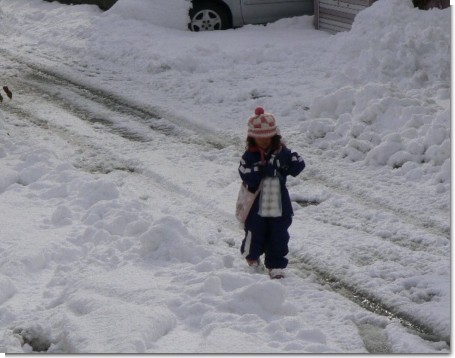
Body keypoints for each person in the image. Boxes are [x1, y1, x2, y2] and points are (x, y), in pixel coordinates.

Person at [238, 107, 305, 279]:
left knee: (279, 232)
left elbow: (298, 162)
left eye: (268, 138)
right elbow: (245, 172)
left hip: (278, 200)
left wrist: (288, 166)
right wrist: (262, 169)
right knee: (255, 230)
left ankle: (275, 264)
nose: (264, 142)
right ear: (252, 138)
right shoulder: (249, 156)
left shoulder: (282, 152)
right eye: (260, 139)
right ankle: (252, 258)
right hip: (256, 201)